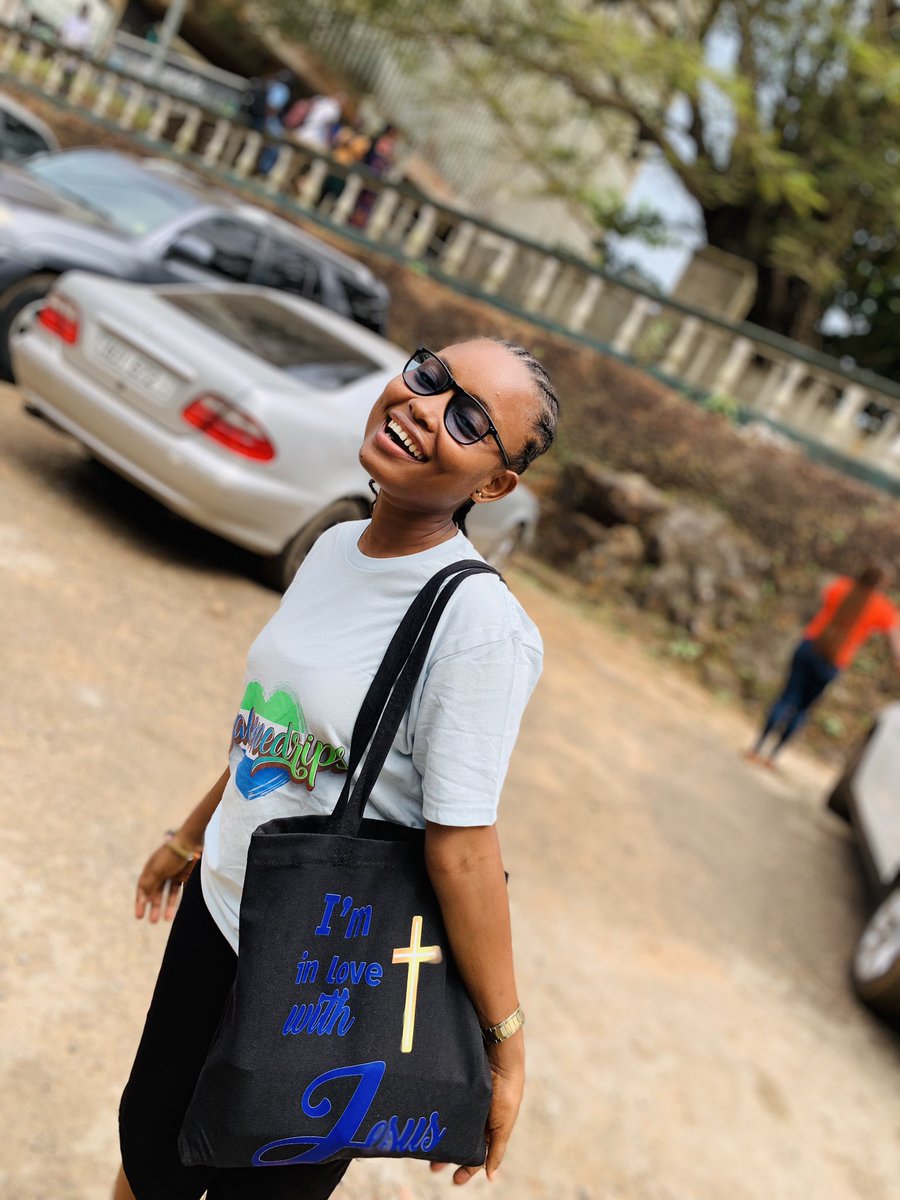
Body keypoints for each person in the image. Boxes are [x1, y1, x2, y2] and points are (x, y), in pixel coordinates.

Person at [113, 338, 560, 1200]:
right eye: (430, 377)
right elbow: (281, 732)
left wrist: (503, 1044)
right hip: (220, 917)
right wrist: (191, 835)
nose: (425, 407)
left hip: (321, 975)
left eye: (468, 420)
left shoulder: (478, 626)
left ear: (494, 485)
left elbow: (462, 848)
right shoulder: (336, 546)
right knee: (147, 1155)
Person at [748, 563, 900, 767]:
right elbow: (895, 639)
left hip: (810, 646)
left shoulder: (841, 586)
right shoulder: (881, 607)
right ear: (882, 584)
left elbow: (824, 597)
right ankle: (772, 756)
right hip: (833, 660)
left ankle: (757, 748)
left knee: (787, 697)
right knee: (802, 708)